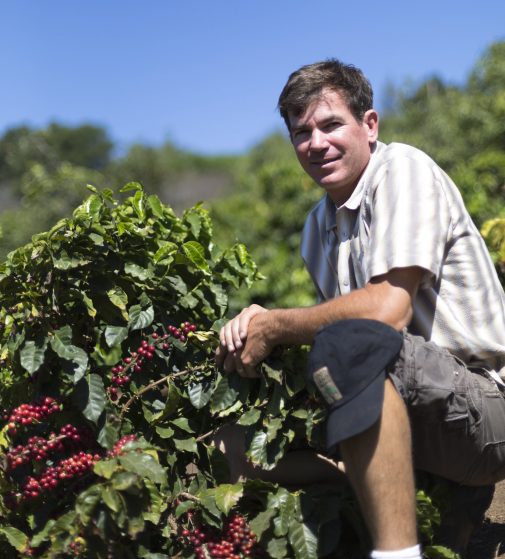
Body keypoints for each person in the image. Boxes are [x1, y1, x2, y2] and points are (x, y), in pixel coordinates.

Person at [215, 59, 505, 559]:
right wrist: (255, 321)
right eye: (302, 133)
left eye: (331, 125)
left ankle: (396, 553)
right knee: (231, 449)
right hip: (416, 412)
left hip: (484, 410)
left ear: (369, 126)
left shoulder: (403, 170)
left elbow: (384, 313)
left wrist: (276, 325)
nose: (317, 143)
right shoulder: (315, 229)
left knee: (346, 341)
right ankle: (374, 489)